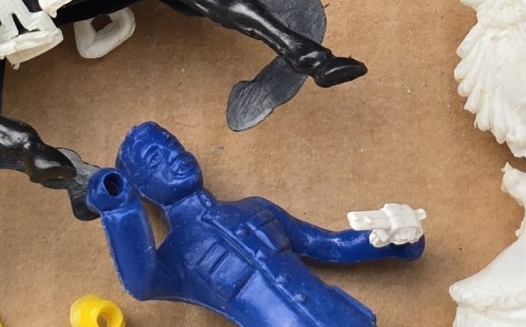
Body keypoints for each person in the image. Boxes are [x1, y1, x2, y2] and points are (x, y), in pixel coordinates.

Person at [88, 121, 424, 326]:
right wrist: (120, 208)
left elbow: (324, 244)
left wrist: (390, 240)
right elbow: (142, 282)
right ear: (142, 186)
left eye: (173, 145)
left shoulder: (253, 207)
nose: (175, 156)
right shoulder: (178, 257)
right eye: (156, 159)